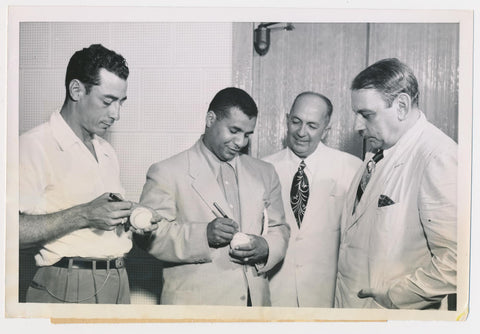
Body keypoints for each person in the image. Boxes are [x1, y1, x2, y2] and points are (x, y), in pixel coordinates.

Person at [19, 44, 156, 304]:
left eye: (120, 103)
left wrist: (131, 216)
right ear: (76, 90)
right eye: (107, 101)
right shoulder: (33, 145)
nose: (116, 114)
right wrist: (84, 214)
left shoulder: (105, 151)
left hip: (118, 281)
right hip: (66, 284)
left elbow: (104, 219)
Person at [138, 87, 290, 306]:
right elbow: (148, 237)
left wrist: (266, 247)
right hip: (194, 310)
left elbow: (280, 229)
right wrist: (203, 235)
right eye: (234, 130)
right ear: (210, 119)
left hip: (254, 307)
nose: (240, 142)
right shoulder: (166, 172)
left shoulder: (265, 172)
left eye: (247, 135)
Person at [335, 58, 457, 309]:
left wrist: (394, 296)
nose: (358, 126)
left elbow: (458, 261)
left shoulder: (438, 156)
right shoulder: (377, 152)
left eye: (366, 115)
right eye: (356, 114)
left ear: (401, 105)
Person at [263, 92, 362, 307]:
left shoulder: (352, 168)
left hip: (326, 297)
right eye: (296, 122)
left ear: (326, 130)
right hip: (276, 295)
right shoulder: (263, 169)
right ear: (287, 120)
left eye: (312, 125)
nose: (301, 132)